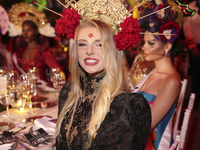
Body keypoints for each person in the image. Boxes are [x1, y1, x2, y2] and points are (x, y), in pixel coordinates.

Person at [46, 0, 152, 149]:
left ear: (113, 50)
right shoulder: (68, 93)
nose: (89, 51)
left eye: (99, 44)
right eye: (82, 44)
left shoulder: (123, 108)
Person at [128, 0, 192, 149]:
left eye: (151, 43)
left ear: (168, 46)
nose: (144, 48)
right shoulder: (153, 72)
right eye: (144, 42)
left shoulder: (171, 81)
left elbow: (146, 127)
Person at [7, 3, 63, 83]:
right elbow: (16, 74)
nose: (25, 33)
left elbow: (59, 73)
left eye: (29, 30)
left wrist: (49, 86)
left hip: (42, 92)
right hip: (24, 92)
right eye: (23, 30)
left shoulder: (44, 52)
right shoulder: (19, 52)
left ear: (37, 31)